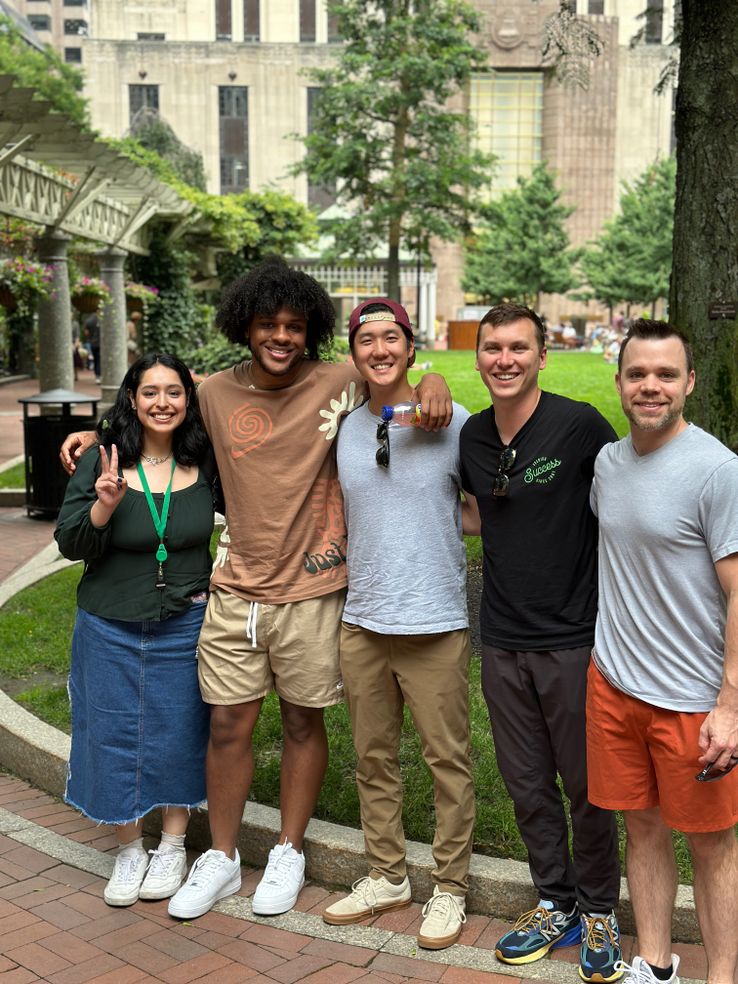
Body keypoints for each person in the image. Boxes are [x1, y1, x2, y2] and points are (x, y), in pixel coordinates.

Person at [60, 258, 452, 921]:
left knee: (303, 720)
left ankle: (289, 852)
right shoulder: (213, 393)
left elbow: (397, 378)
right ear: (246, 326)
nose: (280, 337)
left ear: (311, 332)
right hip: (235, 590)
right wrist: (93, 433)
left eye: (294, 327)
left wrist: (436, 375)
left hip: (314, 590)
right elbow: (153, 406)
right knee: (227, 724)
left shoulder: (340, 381)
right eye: (268, 324)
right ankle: (220, 856)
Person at [459, 303, 622, 980]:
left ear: (542, 356)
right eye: (492, 347)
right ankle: (553, 899)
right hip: (500, 637)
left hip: (572, 638)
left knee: (585, 786)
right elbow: (476, 511)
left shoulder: (579, 425)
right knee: (526, 783)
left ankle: (600, 910)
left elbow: (628, 496)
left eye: (518, 348)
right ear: (478, 356)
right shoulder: (471, 436)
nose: (504, 359)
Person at [322, 299, 478, 950]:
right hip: (363, 619)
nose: (380, 350)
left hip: (436, 619)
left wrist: (439, 382)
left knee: (448, 761)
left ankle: (451, 888)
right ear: (353, 355)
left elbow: (485, 509)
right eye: (367, 341)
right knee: (372, 758)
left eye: (393, 339)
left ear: (412, 349)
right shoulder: (344, 428)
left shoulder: (457, 423)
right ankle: (387, 875)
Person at [587, 319, 738, 984]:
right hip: (615, 686)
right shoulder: (608, 463)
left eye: (666, 375)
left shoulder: (718, 471)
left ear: (689, 384)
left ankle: (723, 974)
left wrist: (730, 703)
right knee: (642, 830)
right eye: (638, 374)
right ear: (620, 383)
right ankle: (654, 964)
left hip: (693, 701)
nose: (651, 386)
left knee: (712, 846)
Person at [55, 353, 214, 908]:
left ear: (189, 400)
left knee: (180, 728)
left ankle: (172, 844)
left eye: (175, 392)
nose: (163, 403)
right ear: (131, 399)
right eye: (150, 392)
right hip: (109, 623)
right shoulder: (103, 459)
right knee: (109, 731)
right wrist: (103, 507)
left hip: (186, 620)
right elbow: (71, 542)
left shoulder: (204, 458)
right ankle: (128, 847)